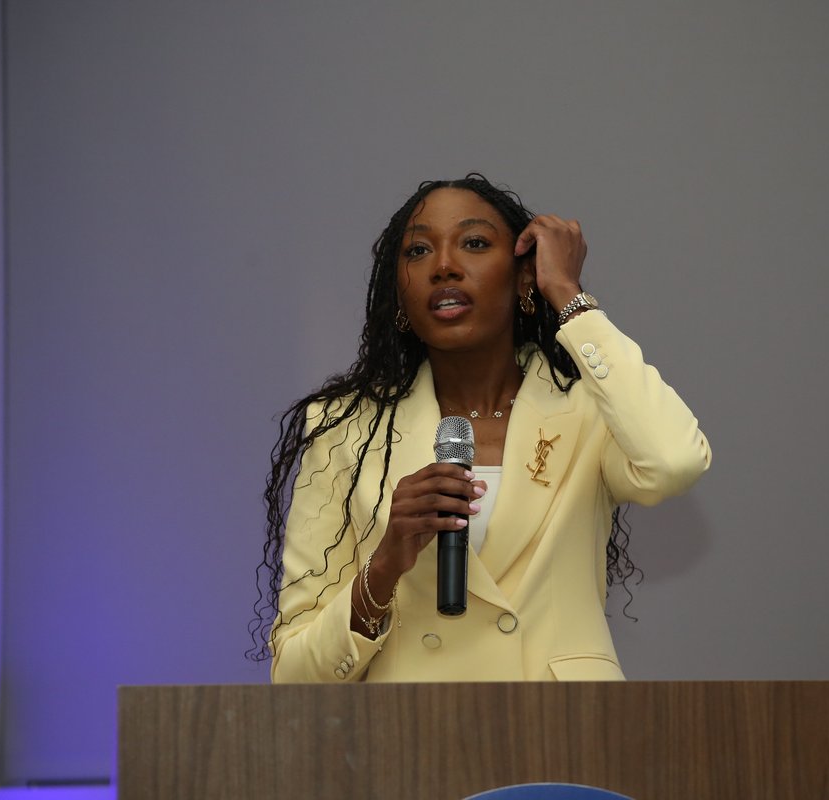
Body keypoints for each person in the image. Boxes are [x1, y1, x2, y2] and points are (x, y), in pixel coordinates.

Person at [250, 174, 711, 682]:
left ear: (524, 279)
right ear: (398, 299)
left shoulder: (591, 409)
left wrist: (568, 295)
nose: (444, 266)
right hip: (408, 741)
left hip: (567, 738)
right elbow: (292, 674)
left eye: (473, 243)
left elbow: (674, 462)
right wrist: (383, 567)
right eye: (419, 251)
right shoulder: (343, 428)